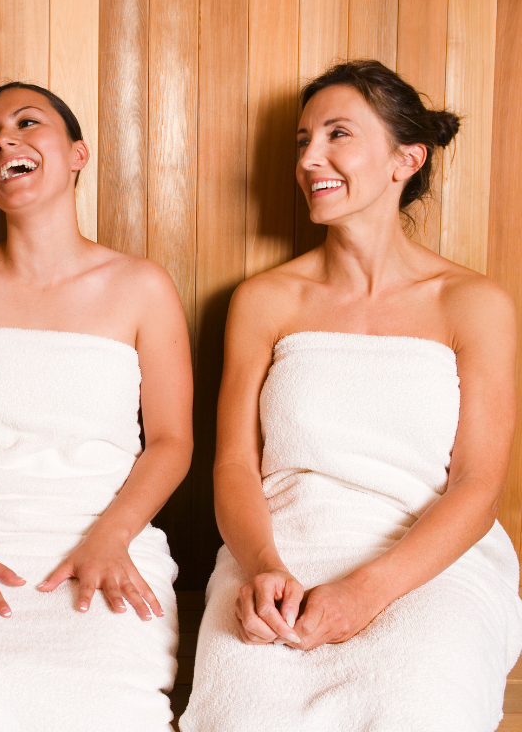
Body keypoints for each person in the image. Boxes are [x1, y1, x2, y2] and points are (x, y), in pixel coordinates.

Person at [180, 60, 522, 732]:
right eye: (303, 141)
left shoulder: (474, 304)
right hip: (279, 550)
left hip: (427, 560)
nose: (311, 158)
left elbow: (479, 486)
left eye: (338, 135)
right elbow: (233, 466)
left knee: (417, 709)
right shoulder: (265, 301)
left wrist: (367, 593)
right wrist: (261, 569)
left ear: (405, 159)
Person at [0, 83, 194, 731]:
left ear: (77, 154)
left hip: (104, 528)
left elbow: (171, 441)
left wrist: (113, 537)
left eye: (29, 123)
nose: (5, 141)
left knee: (114, 705)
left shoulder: (140, 286)